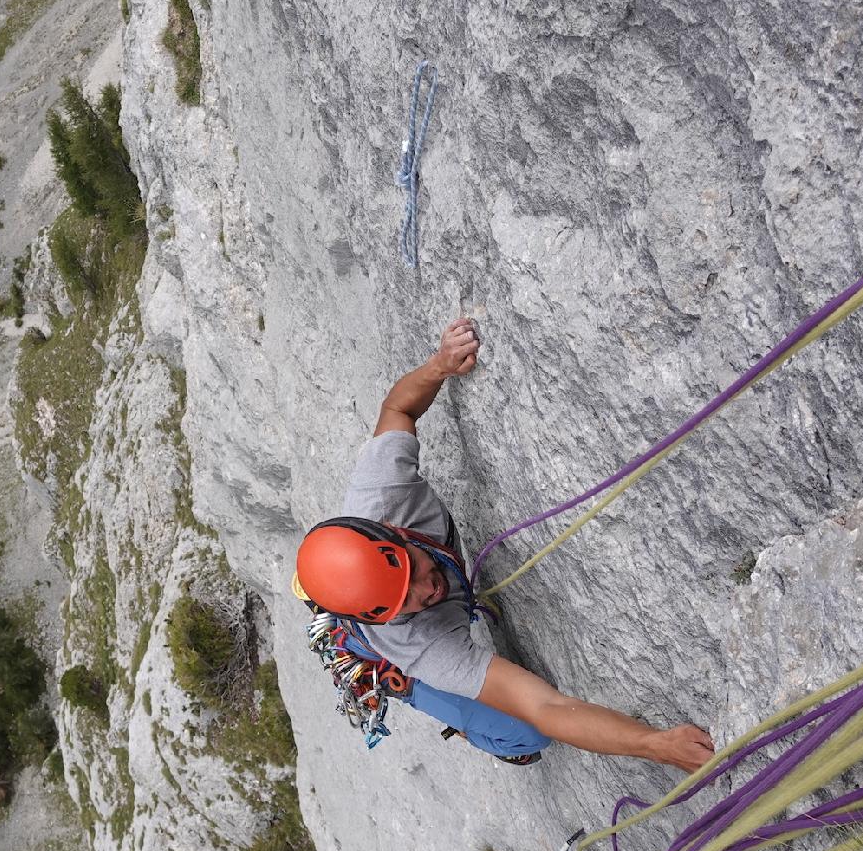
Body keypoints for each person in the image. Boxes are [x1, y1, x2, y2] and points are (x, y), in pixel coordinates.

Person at [295, 319, 715, 773]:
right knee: (526, 735)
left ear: (392, 532)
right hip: (396, 661)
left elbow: (398, 409)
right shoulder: (422, 647)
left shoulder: (381, 493)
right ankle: (435, 705)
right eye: (405, 602)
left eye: (411, 570)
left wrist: (439, 366)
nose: (425, 590)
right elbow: (545, 709)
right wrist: (654, 744)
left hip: (361, 597)